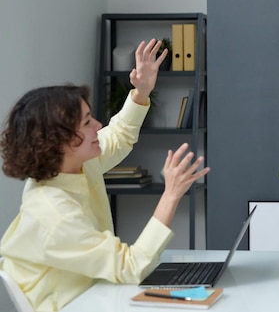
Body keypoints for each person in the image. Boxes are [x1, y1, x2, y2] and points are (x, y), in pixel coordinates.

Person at [0, 39, 210, 311]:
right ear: (57, 141)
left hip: (100, 295)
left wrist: (141, 92)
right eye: (87, 123)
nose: (98, 125)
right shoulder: (54, 212)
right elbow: (132, 266)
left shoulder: (77, 164)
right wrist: (171, 194)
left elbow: (119, 135)